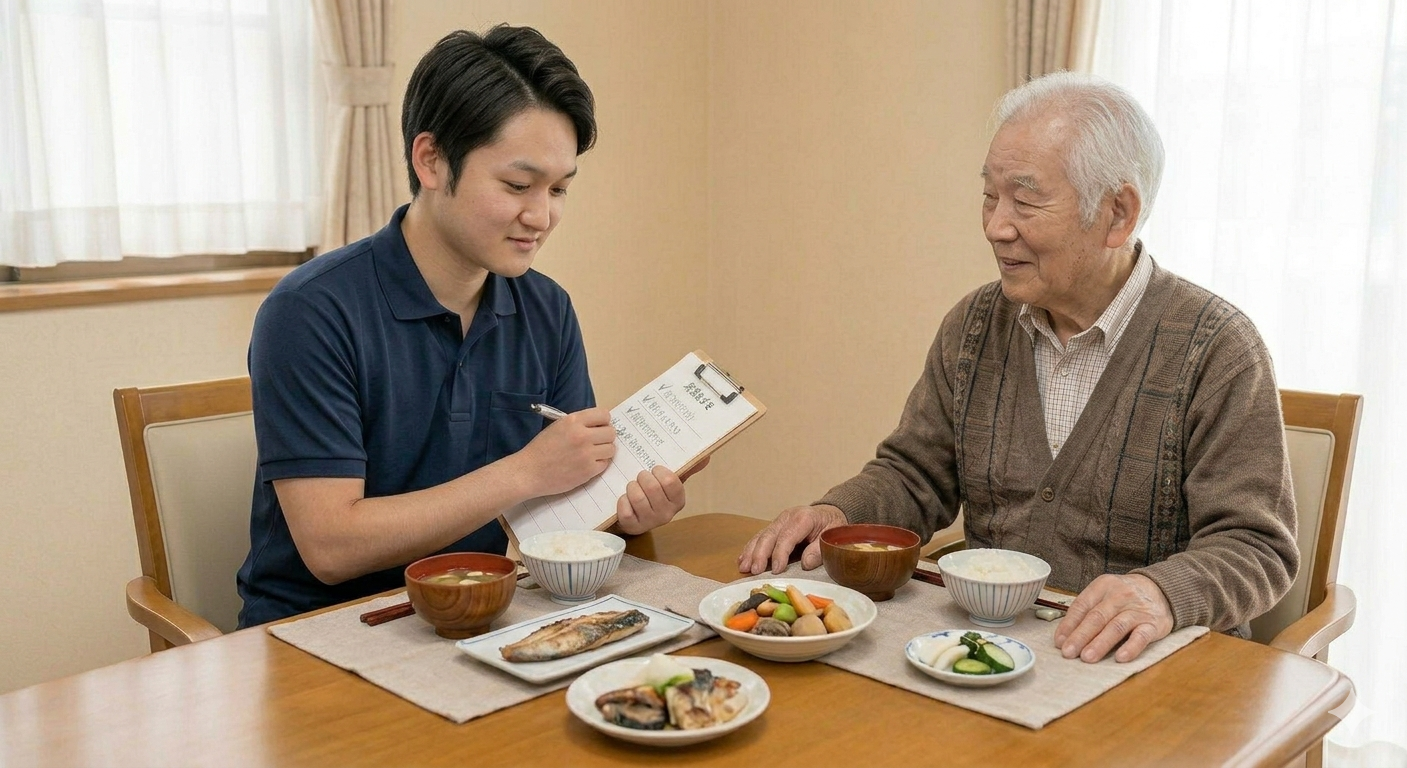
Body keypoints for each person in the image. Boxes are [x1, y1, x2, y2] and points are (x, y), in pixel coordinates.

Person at [738, 72, 1299, 664]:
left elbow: (1257, 547)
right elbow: (914, 476)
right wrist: (839, 513)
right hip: (986, 655)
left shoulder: (1216, 348)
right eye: (990, 195)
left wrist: (1159, 592)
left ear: (1118, 214)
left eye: (1025, 201)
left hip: (1147, 675)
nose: (994, 226)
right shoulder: (976, 324)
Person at [237, 25, 698, 627]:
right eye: (517, 185)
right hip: (323, 632)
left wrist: (624, 510)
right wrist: (526, 471)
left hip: (484, 614)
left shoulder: (547, 309)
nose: (542, 216)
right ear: (431, 160)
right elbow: (330, 547)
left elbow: (558, 505)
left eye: (559, 189)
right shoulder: (310, 312)